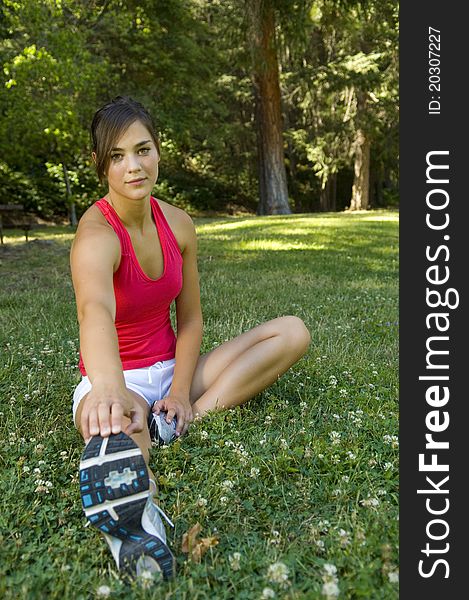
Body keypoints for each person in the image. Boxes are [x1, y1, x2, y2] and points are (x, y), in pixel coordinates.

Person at [70, 96, 311, 581]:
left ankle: (183, 421)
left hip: (174, 370)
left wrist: (181, 393)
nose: (133, 166)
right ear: (102, 166)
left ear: (159, 151)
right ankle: (139, 522)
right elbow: (93, 312)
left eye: (142, 150)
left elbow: (192, 319)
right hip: (115, 374)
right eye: (117, 156)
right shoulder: (96, 234)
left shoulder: (179, 224)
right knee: (118, 433)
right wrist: (110, 389)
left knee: (292, 332)